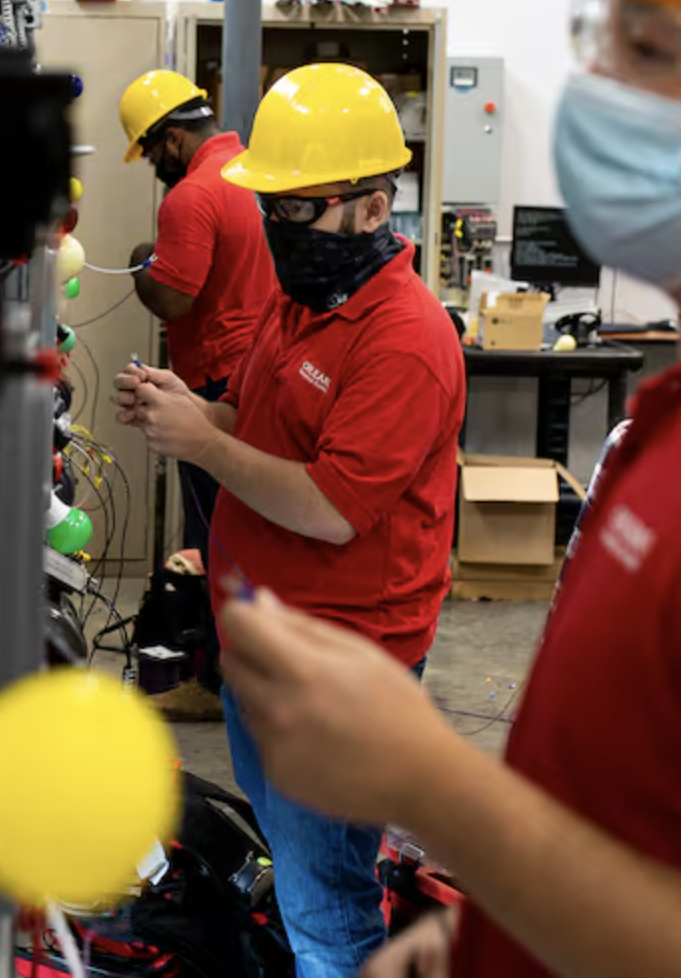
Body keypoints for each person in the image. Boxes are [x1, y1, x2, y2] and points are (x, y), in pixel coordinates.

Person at [215, 0, 681, 977]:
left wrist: (440, 789)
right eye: (600, 36)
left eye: (653, 49)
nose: (596, 90)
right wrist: (496, 932)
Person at [115, 62, 466, 978]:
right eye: (273, 206)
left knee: (326, 902)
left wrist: (203, 443)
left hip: (339, 668)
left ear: (371, 206)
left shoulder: (407, 340)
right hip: (266, 642)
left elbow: (332, 509)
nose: (278, 228)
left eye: (298, 209)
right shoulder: (299, 298)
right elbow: (260, 427)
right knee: (300, 856)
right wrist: (188, 409)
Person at [117, 70, 277, 560]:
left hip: (214, 381)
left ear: (173, 138)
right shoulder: (254, 171)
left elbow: (172, 300)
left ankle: (208, 633)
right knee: (247, 520)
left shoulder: (193, 194)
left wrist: (140, 259)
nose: (153, 164)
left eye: (150, 153)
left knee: (212, 527)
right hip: (264, 371)